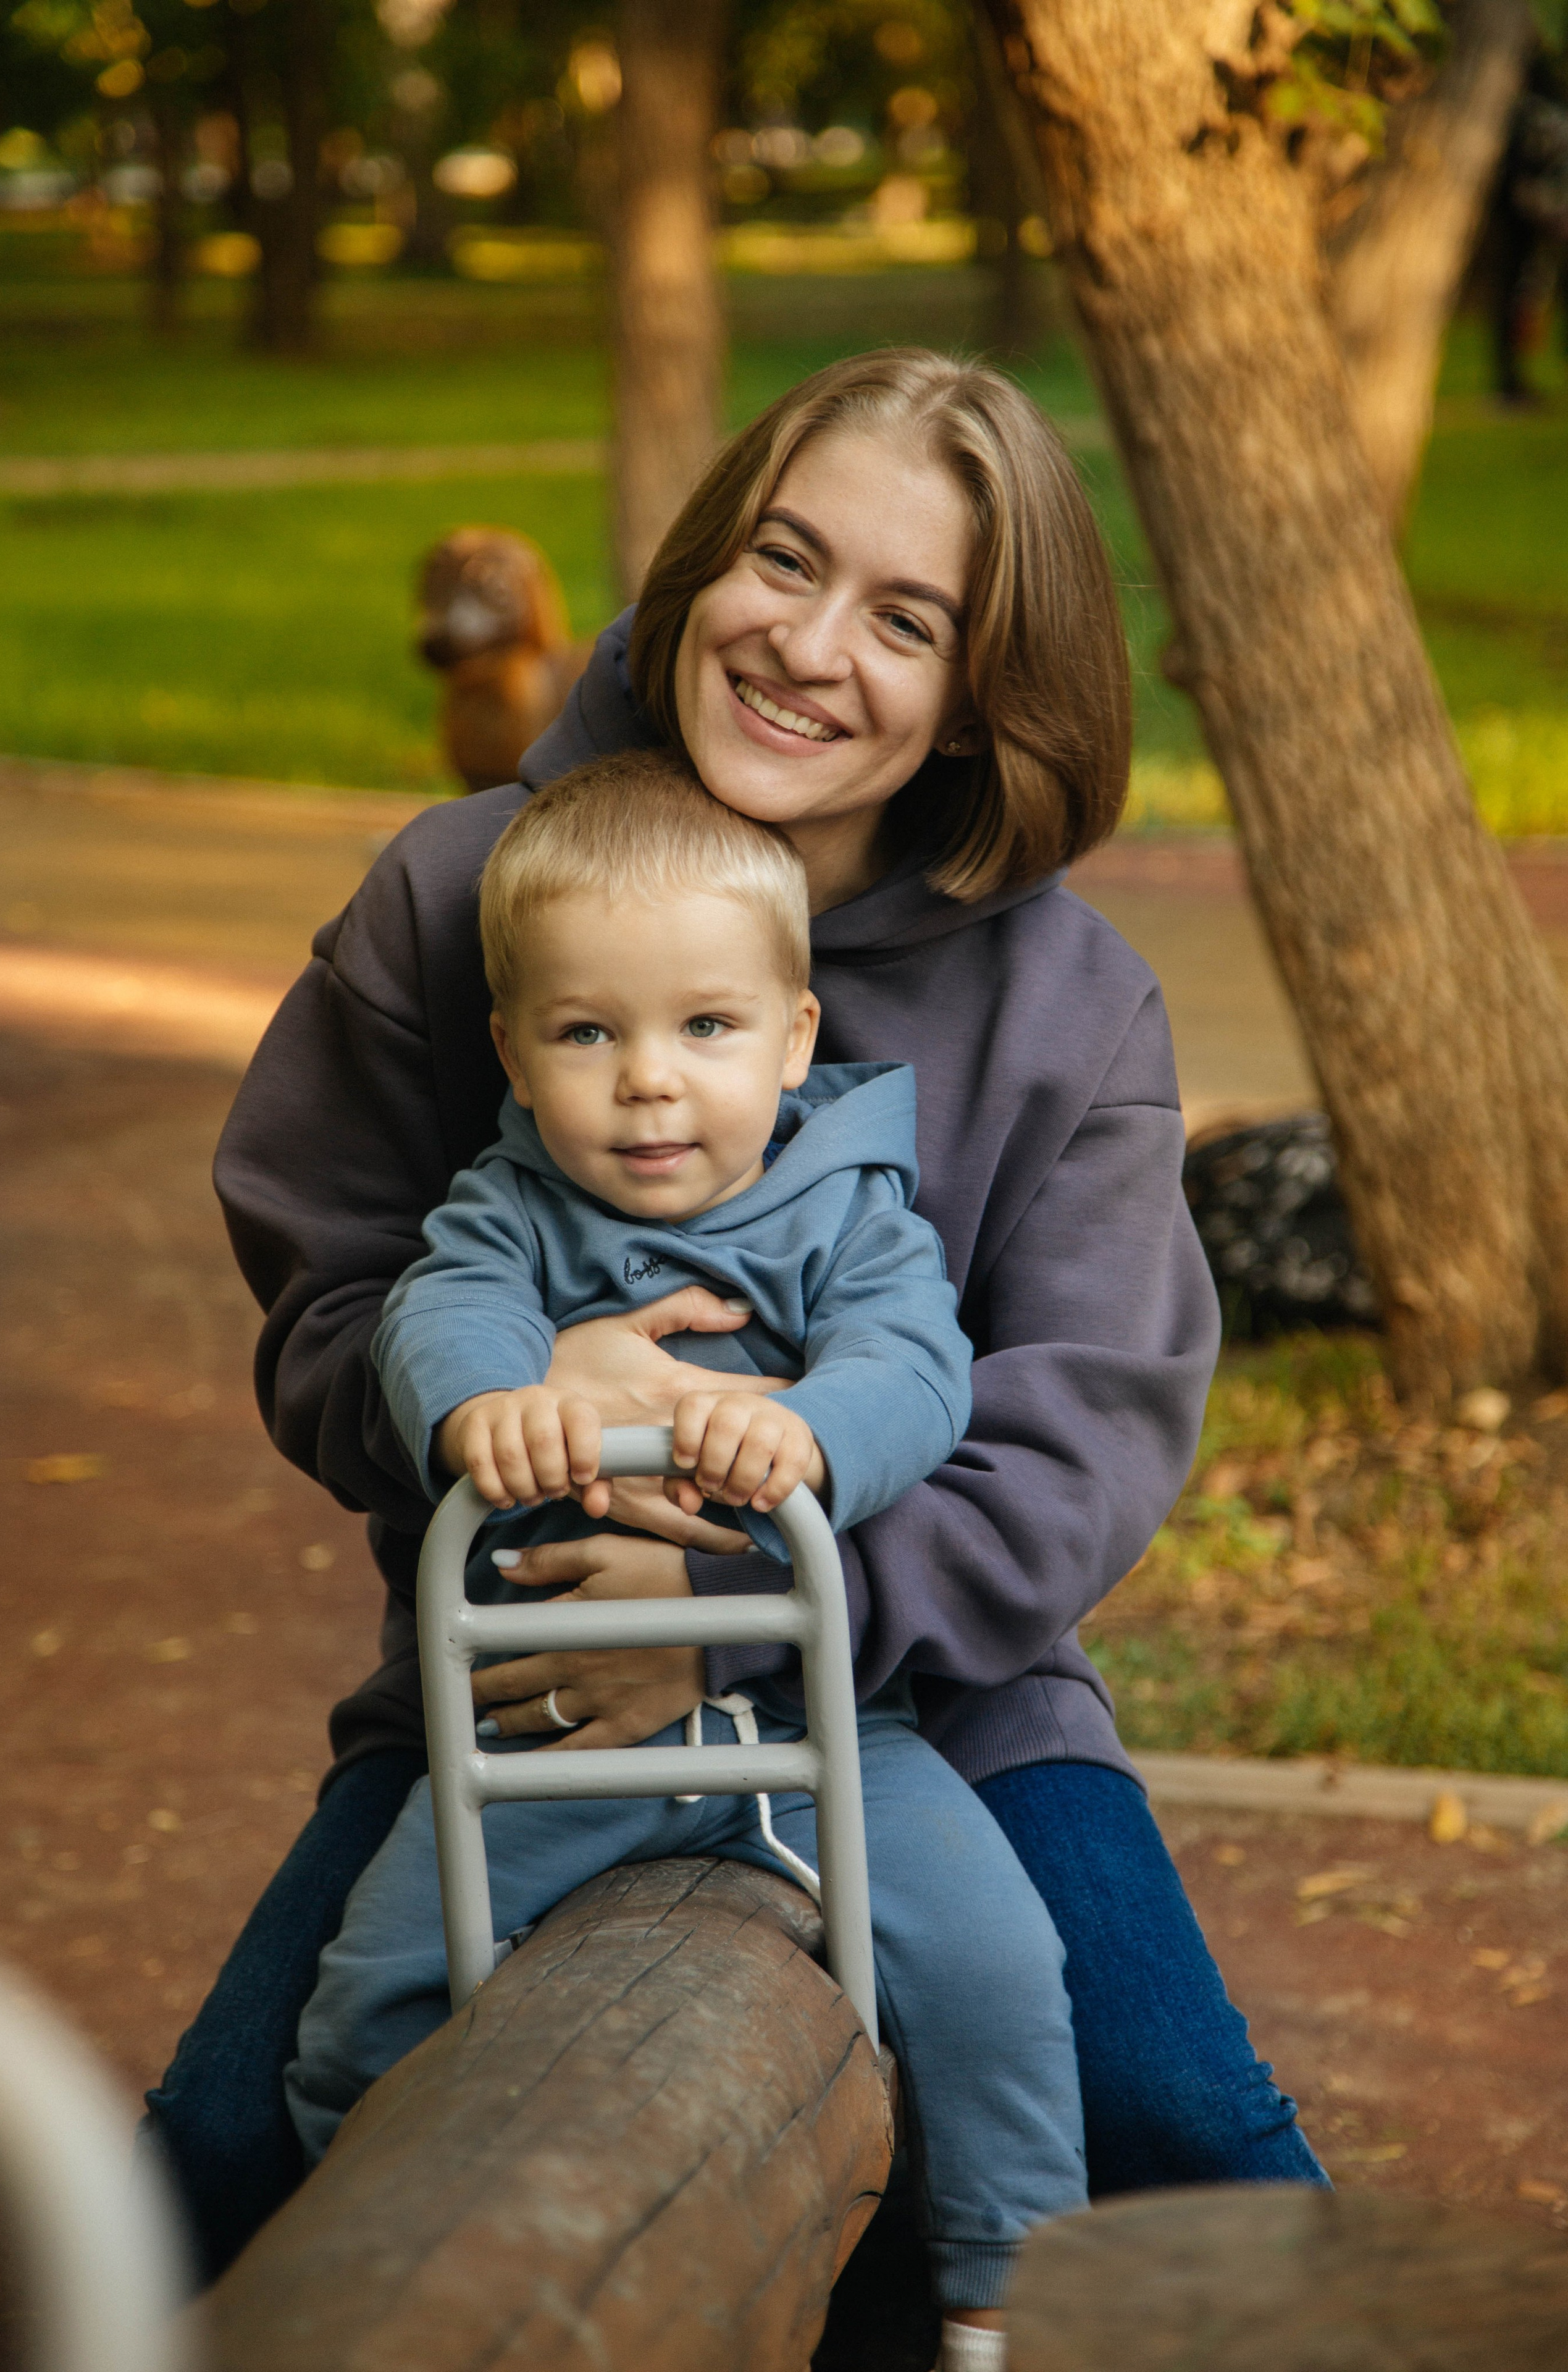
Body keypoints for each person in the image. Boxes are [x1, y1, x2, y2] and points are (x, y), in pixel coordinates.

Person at [144, 347, 1326, 2293]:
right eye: (785, 557)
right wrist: (500, 1394)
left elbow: (1081, 1433)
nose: (807, 643)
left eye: (908, 618)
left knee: (1188, 2128)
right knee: (215, 2148)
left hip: (933, 1690)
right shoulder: (461, 898)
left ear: (978, 695)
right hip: (516, 1667)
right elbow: (327, 1283)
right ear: (704, 563)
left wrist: (762, 1631)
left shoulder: (1068, 1002)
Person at [287, 755, 1088, 2370]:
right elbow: (437, 1321)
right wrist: (486, 1411)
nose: (649, 1083)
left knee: (1003, 1962)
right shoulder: (505, 1213)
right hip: (557, 1739)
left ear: (795, 1037)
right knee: (365, 2000)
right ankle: (381, 2273)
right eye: (589, 1034)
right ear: (514, 1052)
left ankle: (1002, 2296)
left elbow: (918, 1368)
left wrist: (812, 1433)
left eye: (705, 1029)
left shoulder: (846, 1207)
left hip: (830, 1734)